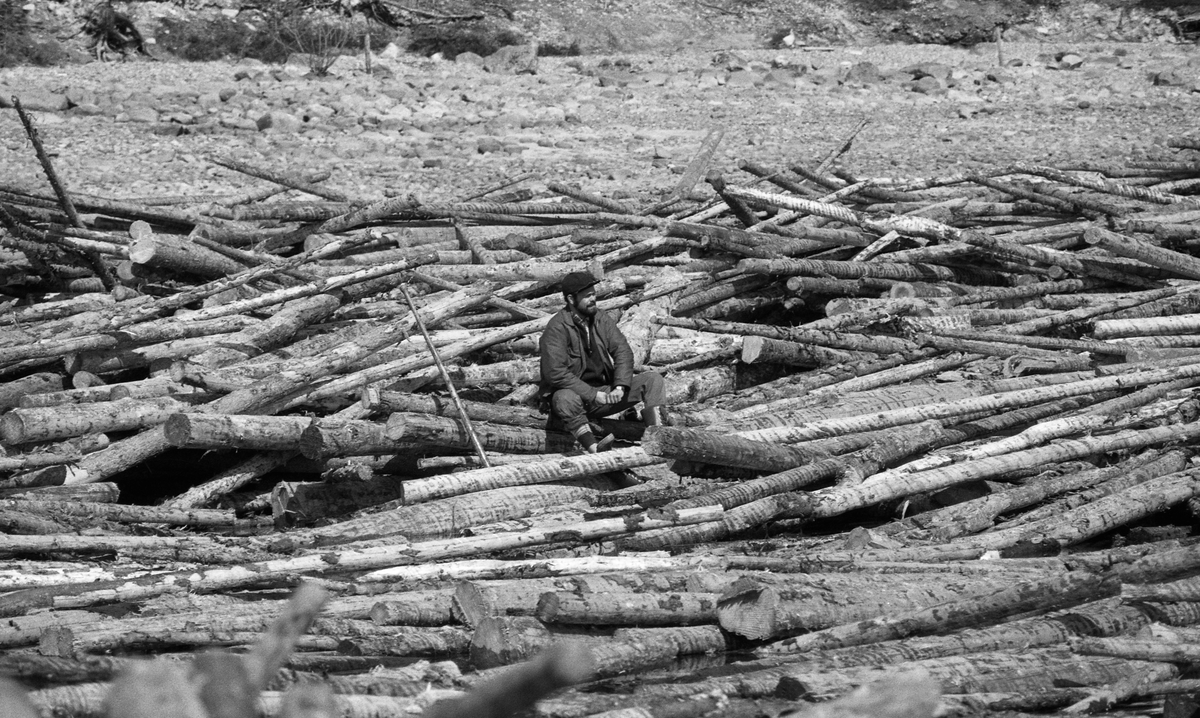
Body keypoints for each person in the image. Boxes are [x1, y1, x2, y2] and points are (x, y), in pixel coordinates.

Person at [539, 271, 666, 453]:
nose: (593, 299)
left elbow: (622, 351)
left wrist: (620, 386)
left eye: (594, 294)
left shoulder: (600, 318)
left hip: (605, 393)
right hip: (576, 398)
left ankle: (659, 436)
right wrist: (591, 394)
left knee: (653, 380)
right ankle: (595, 449)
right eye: (587, 296)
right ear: (571, 299)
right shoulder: (557, 328)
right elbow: (555, 373)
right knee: (564, 398)